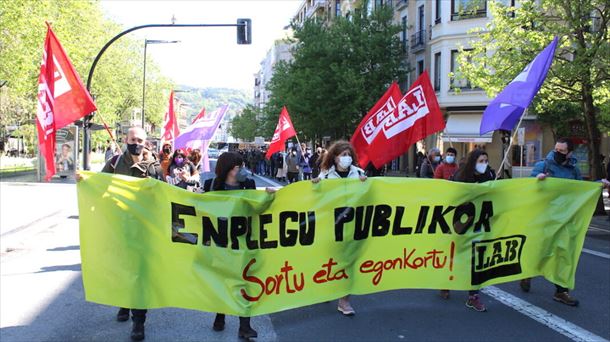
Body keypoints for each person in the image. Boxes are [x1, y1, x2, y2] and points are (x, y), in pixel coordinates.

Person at [87, 126, 160, 341]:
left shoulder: (154, 167)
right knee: (122, 268)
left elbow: (163, 194)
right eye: (132, 138)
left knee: (140, 274)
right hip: (120, 226)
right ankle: (124, 303)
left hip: (145, 228)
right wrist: (85, 180)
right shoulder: (114, 163)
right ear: (125, 139)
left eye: (139, 139)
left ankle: (139, 321)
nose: (135, 142)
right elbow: (99, 185)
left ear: (145, 142)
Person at [519, 137, 610, 306]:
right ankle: (527, 272)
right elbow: (529, 188)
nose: (557, 153)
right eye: (556, 149)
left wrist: (598, 184)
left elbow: (580, 190)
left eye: (562, 151)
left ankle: (561, 291)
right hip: (544, 218)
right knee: (540, 250)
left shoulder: (573, 169)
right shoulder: (543, 165)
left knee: (564, 254)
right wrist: (536, 180)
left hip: (564, 219)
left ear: (570, 153)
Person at [202, 152, 276, 339]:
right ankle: (220, 314)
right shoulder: (211, 185)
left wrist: (267, 198)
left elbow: (257, 209)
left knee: (245, 283)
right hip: (220, 243)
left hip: (243, 242)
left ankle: (245, 325)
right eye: (238, 167)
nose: (242, 170)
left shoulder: (248, 185)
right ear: (228, 169)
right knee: (222, 281)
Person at [312, 141, 367, 316]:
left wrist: (365, 184)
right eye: (343, 155)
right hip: (331, 226)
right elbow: (316, 199)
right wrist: (315, 187)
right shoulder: (325, 176)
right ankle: (329, 286)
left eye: (349, 155)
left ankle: (344, 301)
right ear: (335, 158)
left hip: (351, 226)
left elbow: (368, 197)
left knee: (348, 262)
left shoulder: (359, 174)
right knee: (331, 261)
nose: (346, 158)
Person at [440, 149, 495, 312]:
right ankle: (445, 282)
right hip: (461, 222)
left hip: (480, 223)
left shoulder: (490, 175)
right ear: (473, 162)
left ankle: (473, 296)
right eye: (481, 161)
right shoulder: (461, 175)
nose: (484, 164)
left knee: (477, 259)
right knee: (455, 254)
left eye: (486, 160)